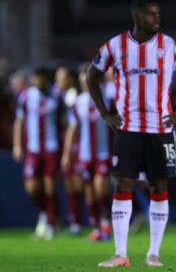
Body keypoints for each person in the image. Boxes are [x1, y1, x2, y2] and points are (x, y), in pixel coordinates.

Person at [87, 0, 176, 268]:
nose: (157, 18)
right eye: (152, 14)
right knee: (122, 184)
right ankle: (120, 254)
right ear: (138, 17)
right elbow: (91, 75)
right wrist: (105, 112)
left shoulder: (170, 45)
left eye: (158, 14)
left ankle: (153, 253)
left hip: (160, 129)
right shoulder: (115, 46)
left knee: (159, 185)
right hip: (128, 128)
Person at [62, 64, 113, 242]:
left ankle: (107, 221)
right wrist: (67, 154)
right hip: (84, 155)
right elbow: (72, 128)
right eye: (83, 77)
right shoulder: (77, 102)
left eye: (88, 76)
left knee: (101, 188)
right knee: (89, 192)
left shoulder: (107, 96)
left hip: (103, 153)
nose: (85, 80)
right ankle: (96, 226)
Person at [12, 69, 61, 239]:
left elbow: (64, 120)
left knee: (49, 185)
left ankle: (51, 223)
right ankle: (44, 213)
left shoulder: (55, 95)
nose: (37, 81)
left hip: (51, 147)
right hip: (33, 148)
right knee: (32, 188)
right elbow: (19, 121)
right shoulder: (26, 96)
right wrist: (17, 145)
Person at [54, 66, 84, 235]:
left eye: (62, 78)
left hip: (77, 145)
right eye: (58, 78)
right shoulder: (60, 95)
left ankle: (82, 221)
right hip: (65, 142)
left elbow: (72, 124)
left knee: (78, 183)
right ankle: (75, 220)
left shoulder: (72, 96)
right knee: (70, 183)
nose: (59, 82)